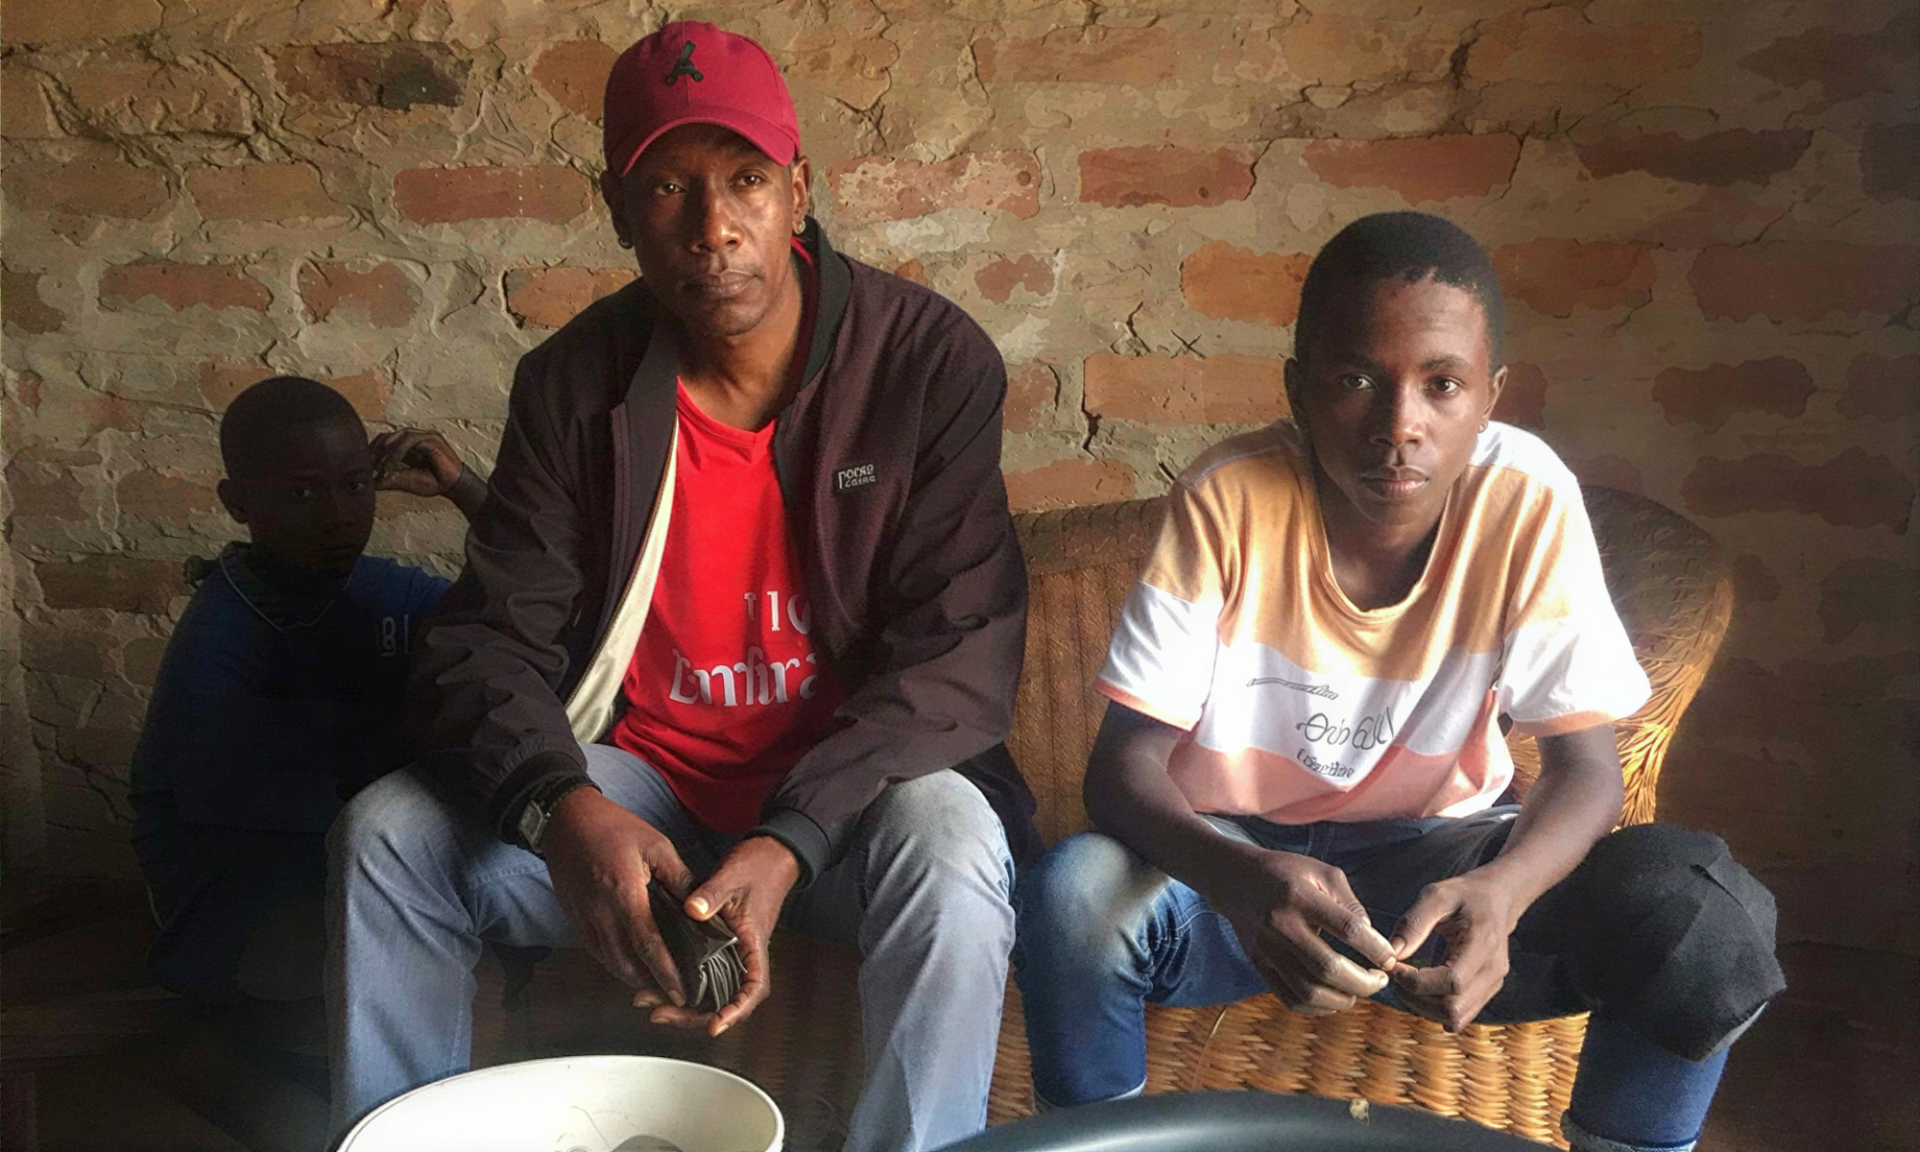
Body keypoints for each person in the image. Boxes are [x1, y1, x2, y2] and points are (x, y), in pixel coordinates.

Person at [327, 21, 1036, 1152]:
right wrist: (562, 808)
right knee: (388, 836)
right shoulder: (573, 386)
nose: (714, 228)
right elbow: (486, 640)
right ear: (618, 211)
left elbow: (961, 655)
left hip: (846, 809)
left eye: (746, 179)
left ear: (799, 190)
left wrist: (789, 839)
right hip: (643, 800)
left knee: (952, 843)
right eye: (667, 188)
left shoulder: (924, 364)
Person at [1013, 212, 1784, 1152]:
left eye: (1442, 385)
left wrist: (1502, 893)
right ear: (1298, 390)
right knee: (1075, 894)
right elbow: (1122, 770)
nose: (1399, 427)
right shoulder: (1231, 496)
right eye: (1354, 381)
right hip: (1237, 871)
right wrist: (1241, 881)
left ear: (1490, 397)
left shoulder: (1525, 497)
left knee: (1698, 913)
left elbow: (1587, 770)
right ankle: (1096, 1141)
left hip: (1441, 874)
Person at [131, 375, 484, 1009]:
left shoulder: (380, 589)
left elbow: (516, 610)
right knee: (404, 956)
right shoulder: (221, 635)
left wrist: (466, 491)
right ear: (237, 503)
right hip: (238, 895)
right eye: (301, 493)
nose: (339, 515)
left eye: (355, 486)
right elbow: (246, 806)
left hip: (349, 858)